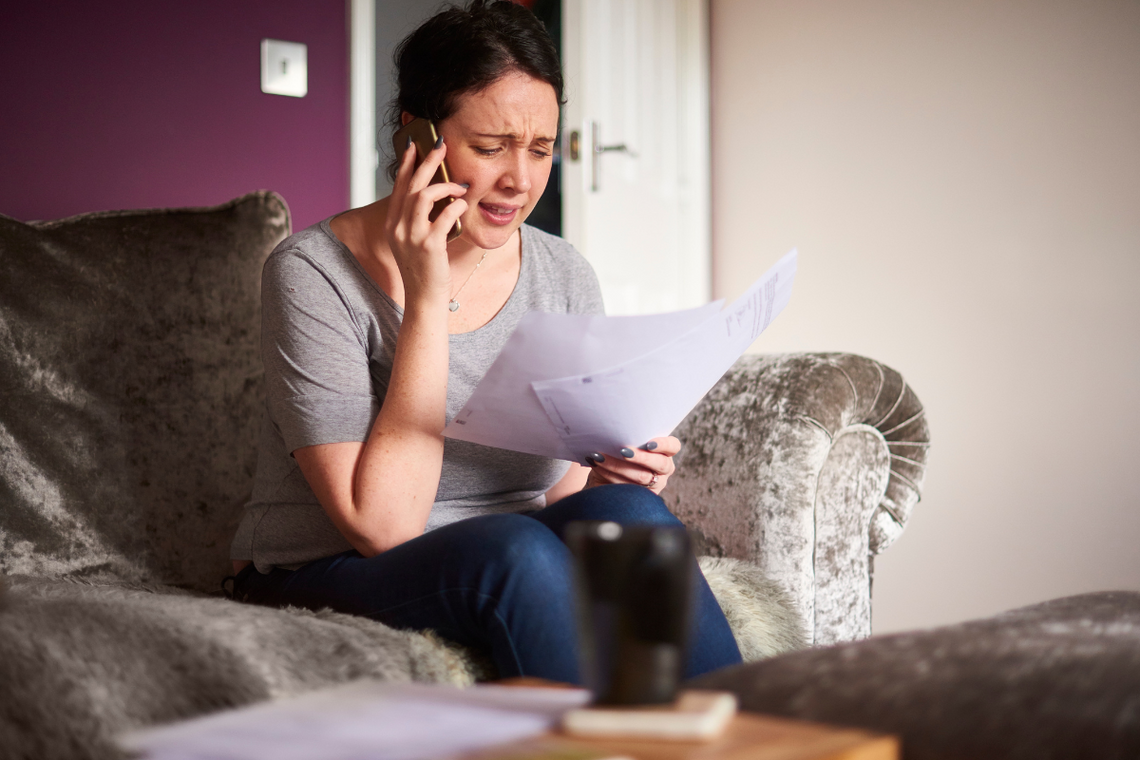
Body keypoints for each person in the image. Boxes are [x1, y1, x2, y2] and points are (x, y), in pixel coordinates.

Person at [229, 0, 741, 684]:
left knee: (632, 515)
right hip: (328, 569)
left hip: (509, 544)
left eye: (539, 149)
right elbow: (381, 528)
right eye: (491, 147)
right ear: (416, 138)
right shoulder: (312, 272)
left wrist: (605, 472)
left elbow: (556, 500)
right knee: (514, 550)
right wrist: (425, 294)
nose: (520, 181)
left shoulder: (562, 273)